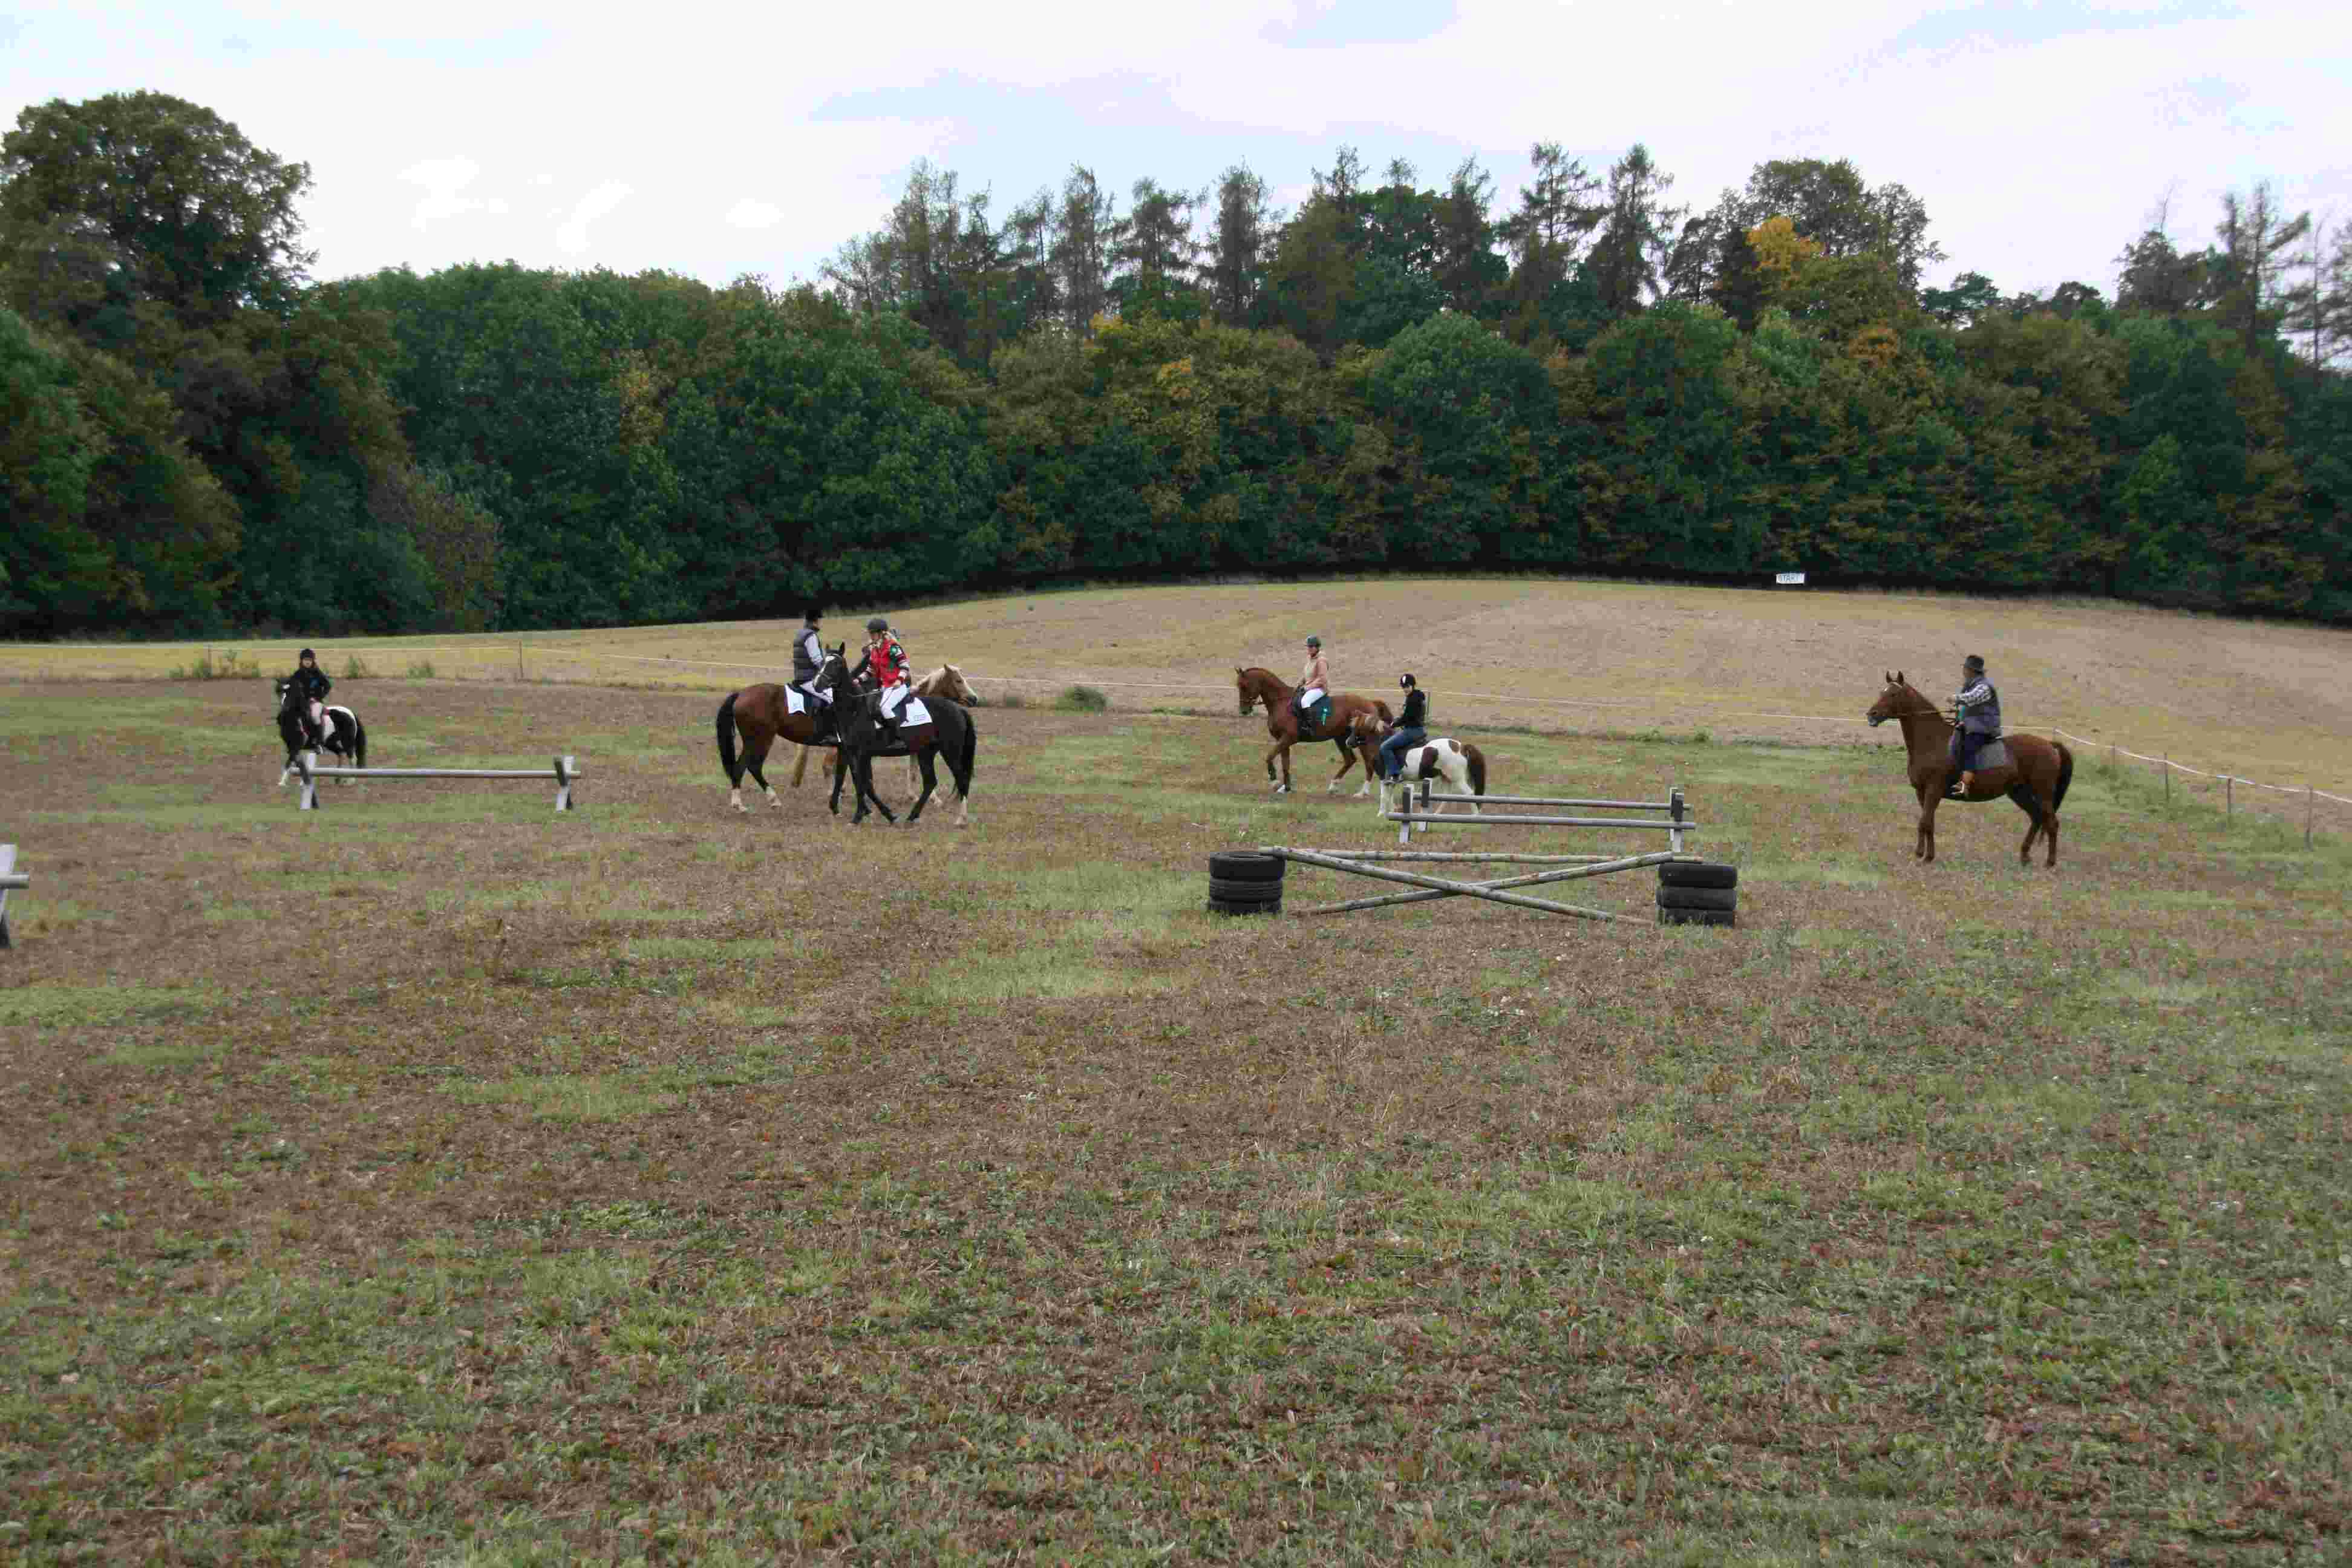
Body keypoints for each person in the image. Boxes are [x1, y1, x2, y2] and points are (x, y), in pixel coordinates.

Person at [1950, 653, 2001, 794]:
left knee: (1969, 748)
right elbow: (1967, 708)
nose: (1964, 671)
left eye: (1965, 668)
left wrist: (1956, 698)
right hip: (1972, 725)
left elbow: (1972, 698)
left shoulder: (1984, 686)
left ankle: (1965, 785)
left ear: (1971, 671)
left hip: (1984, 727)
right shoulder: (1970, 685)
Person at [862, 615, 910, 737]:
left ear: (882, 634)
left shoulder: (893, 647)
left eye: (873, 634)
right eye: (870, 634)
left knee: (885, 707)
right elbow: (870, 671)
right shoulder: (874, 649)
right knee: (869, 707)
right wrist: (858, 680)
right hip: (885, 687)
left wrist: (899, 680)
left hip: (898, 687)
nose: (870, 636)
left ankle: (897, 737)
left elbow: (905, 666)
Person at [1377, 673, 1429, 782]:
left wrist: (1394, 724)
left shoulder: (1413, 699)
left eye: (1407, 686)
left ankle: (1396, 774)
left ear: (1413, 686)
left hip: (1412, 731)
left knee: (1384, 747)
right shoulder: (1416, 696)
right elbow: (1407, 716)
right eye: (1404, 687)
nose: (1405, 689)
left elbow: (1407, 717)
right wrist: (1398, 721)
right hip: (1416, 729)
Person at [790, 604, 833, 731]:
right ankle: (828, 730)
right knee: (833, 697)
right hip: (809, 679)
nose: (821, 623)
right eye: (820, 620)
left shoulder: (800, 633)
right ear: (816, 620)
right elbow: (817, 659)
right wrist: (828, 670)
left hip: (800, 676)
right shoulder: (810, 636)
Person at [286, 647, 333, 749]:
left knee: (315, 716)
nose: (307, 662)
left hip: (316, 702)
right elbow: (290, 683)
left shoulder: (318, 673)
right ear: (302, 661)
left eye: (309, 660)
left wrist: (318, 698)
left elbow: (328, 686)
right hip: (302, 702)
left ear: (313, 661)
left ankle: (319, 742)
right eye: (305, 660)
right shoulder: (298, 674)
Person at [1295, 635, 1329, 735]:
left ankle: (1311, 727)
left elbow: (1322, 679)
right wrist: (1299, 684)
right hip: (1310, 687)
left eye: (1310, 647)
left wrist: (1306, 688)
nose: (1308, 649)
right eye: (1308, 647)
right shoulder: (1310, 659)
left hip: (1320, 688)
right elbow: (1307, 675)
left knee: (1305, 701)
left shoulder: (1321, 660)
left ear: (1316, 648)